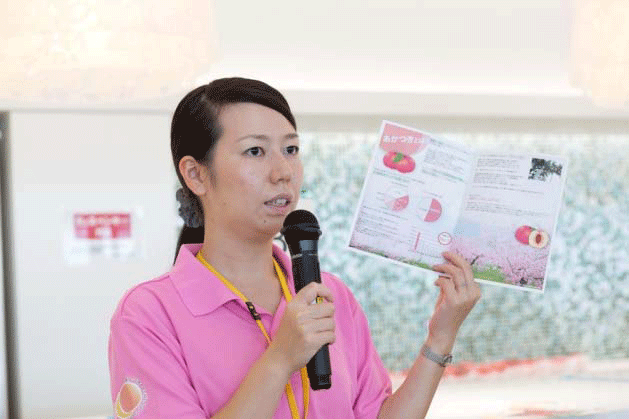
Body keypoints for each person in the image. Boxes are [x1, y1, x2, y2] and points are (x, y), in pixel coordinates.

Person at [108, 77, 481, 419]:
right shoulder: (148, 315)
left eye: (291, 149)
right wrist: (280, 360)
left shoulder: (330, 294)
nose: (283, 172)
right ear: (196, 174)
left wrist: (441, 336)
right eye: (255, 151)